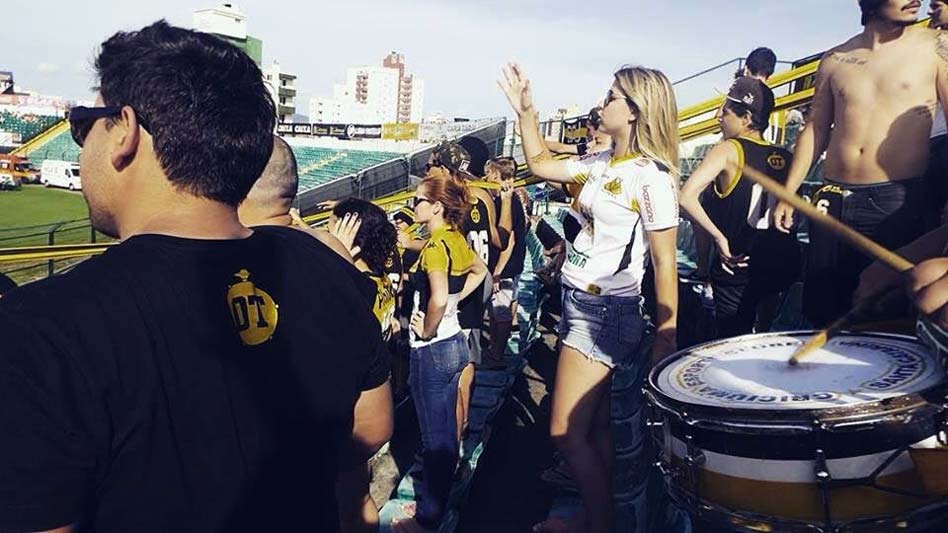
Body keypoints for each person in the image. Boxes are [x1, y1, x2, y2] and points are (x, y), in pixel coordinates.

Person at [0, 21, 389, 532]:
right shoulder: (328, 268)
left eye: (82, 124)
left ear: (124, 131)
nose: (80, 143)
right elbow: (372, 426)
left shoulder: (40, 328)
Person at [500, 63, 680, 533]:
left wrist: (666, 337)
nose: (602, 103)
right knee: (595, 430)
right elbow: (539, 164)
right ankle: (595, 517)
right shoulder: (602, 163)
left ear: (636, 110)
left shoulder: (652, 178)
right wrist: (526, 112)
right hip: (581, 305)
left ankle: (599, 522)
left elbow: (664, 262)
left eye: (612, 95)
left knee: (565, 431)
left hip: (603, 314)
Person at [772, 0, 948, 326]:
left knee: (884, 317)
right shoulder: (835, 59)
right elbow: (816, 127)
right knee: (823, 311)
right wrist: (789, 191)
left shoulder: (935, 47)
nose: (916, 0)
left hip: (898, 201)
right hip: (833, 197)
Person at [395, 174, 488, 532]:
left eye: (418, 200)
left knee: (434, 440)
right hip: (456, 343)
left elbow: (435, 297)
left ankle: (427, 519)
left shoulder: (435, 246)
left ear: (436, 207)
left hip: (432, 349)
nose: (414, 205)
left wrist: (428, 327)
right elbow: (480, 270)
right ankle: (439, 501)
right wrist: (455, 303)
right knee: (448, 433)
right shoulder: (454, 238)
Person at [680, 77, 802, 337]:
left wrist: (718, 238)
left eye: (725, 112)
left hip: (737, 267)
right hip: (777, 266)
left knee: (731, 341)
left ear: (746, 118)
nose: (718, 118)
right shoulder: (788, 158)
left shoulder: (728, 150)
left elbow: (686, 196)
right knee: (765, 338)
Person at [483, 156, 528, 366]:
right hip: (509, 265)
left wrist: (497, 272)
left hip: (505, 268)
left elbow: (508, 241)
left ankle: (497, 355)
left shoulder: (507, 203)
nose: (485, 177)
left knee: (501, 312)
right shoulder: (507, 200)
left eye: (489, 173)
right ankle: (494, 349)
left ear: (498, 176)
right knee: (496, 311)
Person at [546, 107, 612, 157]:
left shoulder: (611, 152)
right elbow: (562, 148)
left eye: (589, 129)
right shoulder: (588, 147)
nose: (586, 134)